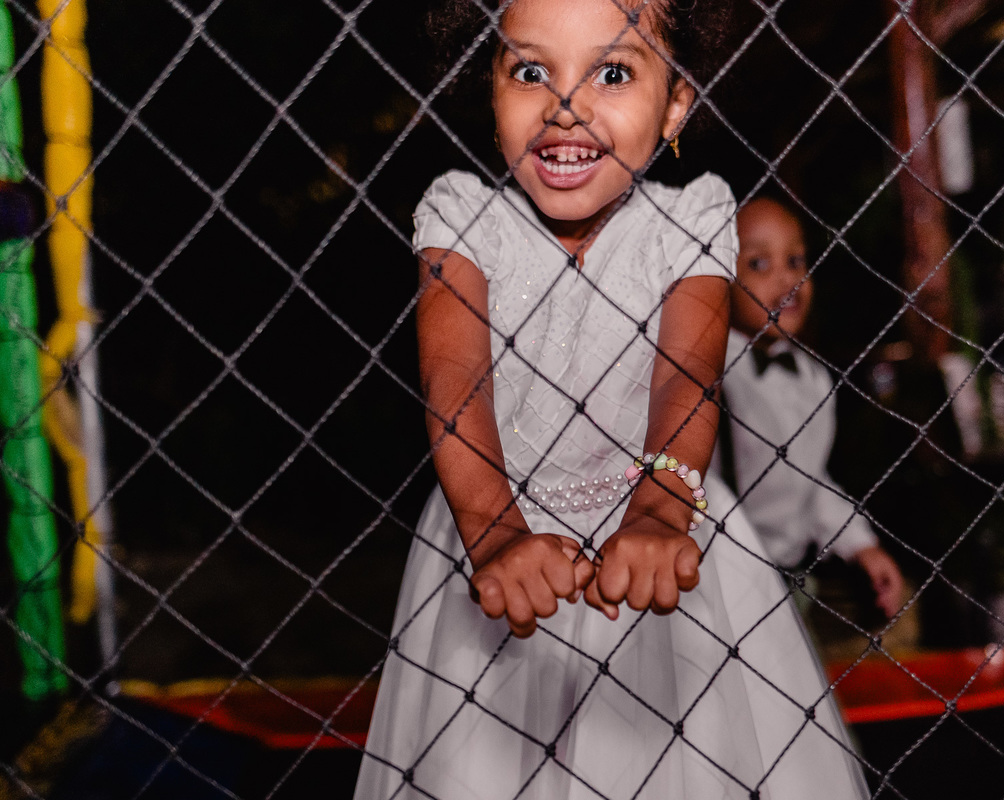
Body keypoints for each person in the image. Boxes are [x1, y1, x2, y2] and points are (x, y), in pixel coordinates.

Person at [354, 1, 869, 798]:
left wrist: (663, 509)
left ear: (673, 106)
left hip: (661, 531)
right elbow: (459, 385)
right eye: (531, 71)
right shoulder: (464, 219)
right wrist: (492, 533)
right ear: (490, 93)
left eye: (614, 72)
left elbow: (683, 378)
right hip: (498, 525)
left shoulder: (689, 221)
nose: (567, 106)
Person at [719, 196, 905, 619]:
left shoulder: (813, 379)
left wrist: (860, 544)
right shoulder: (710, 377)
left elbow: (810, 480)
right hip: (721, 582)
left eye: (796, 260)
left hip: (793, 581)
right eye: (759, 264)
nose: (787, 281)